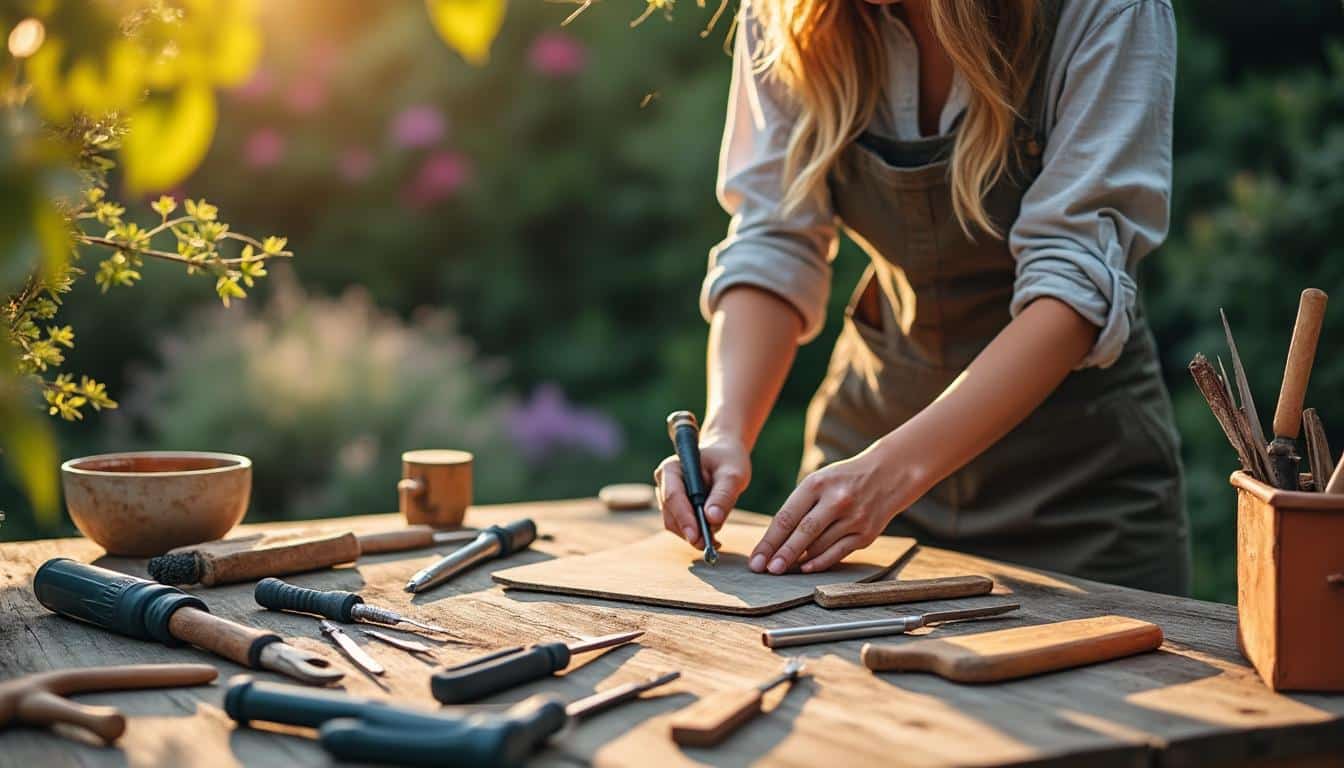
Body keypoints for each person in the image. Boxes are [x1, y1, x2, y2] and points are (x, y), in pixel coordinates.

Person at [654, 0, 1190, 595]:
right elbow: (774, 238)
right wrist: (726, 430)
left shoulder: (1106, 11)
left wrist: (891, 473)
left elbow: (1074, 285)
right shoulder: (785, 14)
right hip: (864, 466)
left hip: (1079, 495)